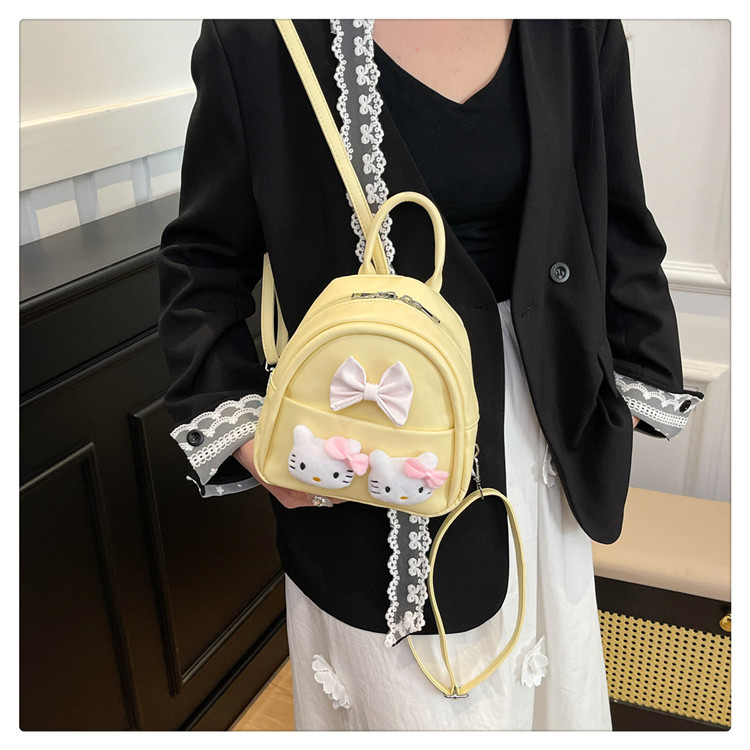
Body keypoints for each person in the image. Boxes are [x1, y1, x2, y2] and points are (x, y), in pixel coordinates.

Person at [157, 19, 704, 730]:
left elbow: (616, 213)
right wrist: (246, 434)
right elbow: (204, 258)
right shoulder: (259, 33)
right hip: (369, 447)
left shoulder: (576, 21)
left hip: (544, 433)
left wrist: (630, 378)